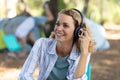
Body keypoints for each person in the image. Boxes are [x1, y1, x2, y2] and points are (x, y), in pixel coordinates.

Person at [18, 8, 96, 80]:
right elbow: (24, 75)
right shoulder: (41, 44)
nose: (58, 28)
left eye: (65, 25)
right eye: (57, 24)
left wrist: (84, 53)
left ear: (77, 31)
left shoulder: (82, 51)